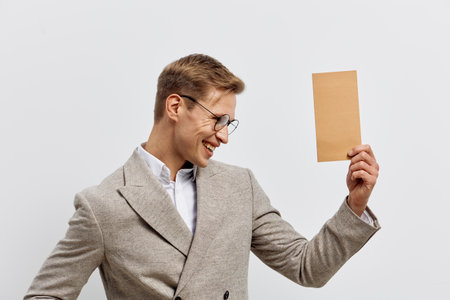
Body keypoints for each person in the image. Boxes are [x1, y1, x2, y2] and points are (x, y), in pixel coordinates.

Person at [24, 54, 380, 300]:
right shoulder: (103, 205)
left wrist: (355, 203)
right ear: (176, 107)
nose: (224, 136)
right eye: (218, 120)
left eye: (230, 124)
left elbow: (308, 268)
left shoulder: (240, 187)